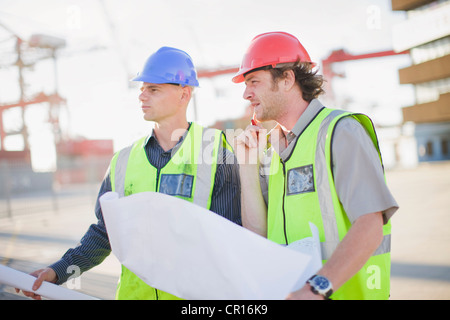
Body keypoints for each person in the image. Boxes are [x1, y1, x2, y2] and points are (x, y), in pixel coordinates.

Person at [16, 46, 241, 300]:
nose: (142, 96)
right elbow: (105, 234)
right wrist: (59, 272)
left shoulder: (217, 153)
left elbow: (230, 239)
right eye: (142, 88)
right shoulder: (123, 161)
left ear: (184, 94)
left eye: (153, 89)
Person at [232, 32, 398, 300]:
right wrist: (246, 167)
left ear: (287, 79)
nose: (246, 94)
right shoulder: (270, 151)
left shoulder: (340, 131)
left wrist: (315, 289)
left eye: (254, 82)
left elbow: (370, 224)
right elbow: (259, 236)